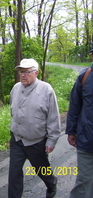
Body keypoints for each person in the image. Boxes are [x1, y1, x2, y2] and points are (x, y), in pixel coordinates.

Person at [8, 58, 61, 198]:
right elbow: (12, 110)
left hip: (36, 141)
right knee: (14, 173)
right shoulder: (16, 88)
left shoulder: (46, 89)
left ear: (36, 72)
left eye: (26, 72)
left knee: (42, 170)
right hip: (17, 139)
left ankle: (51, 184)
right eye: (21, 72)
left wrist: (51, 141)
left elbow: (53, 117)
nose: (22, 75)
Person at [66, 47, 93, 198]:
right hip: (87, 140)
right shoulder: (85, 77)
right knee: (83, 182)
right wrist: (71, 131)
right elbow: (75, 106)